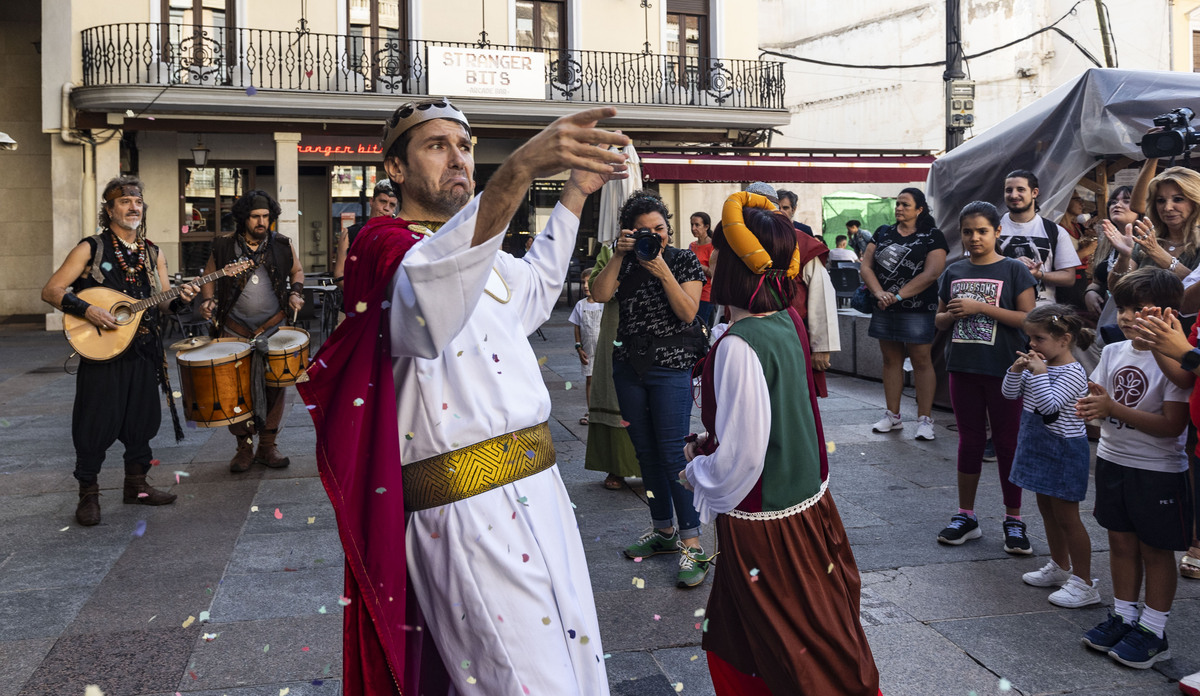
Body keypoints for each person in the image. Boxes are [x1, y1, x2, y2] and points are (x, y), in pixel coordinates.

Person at [298, 98, 629, 694]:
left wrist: (576, 193)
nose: (458, 158)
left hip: (541, 489)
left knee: (578, 671)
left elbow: (533, 291)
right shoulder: (381, 246)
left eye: (466, 147)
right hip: (466, 505)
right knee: (525, 683)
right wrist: (519, 170)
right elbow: (428, 306)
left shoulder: (482, 256)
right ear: (395, 169)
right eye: (436, 145)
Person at [680, 191, 880, 695]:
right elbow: (775, 418)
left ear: (735, 263)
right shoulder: (784, 321)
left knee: (795, 644)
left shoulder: (739, 344)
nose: (713, 259)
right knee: (770, 631)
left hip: (767, 525)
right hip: (806, 506)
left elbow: (743, 457)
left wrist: (697, 469)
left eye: (719, 251)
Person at [42, 176, 196, 525]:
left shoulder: (153, 252)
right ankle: (89, 495)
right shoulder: (91, 247)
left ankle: (137, 486)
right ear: (109, 209)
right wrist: (86, 309)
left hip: (143, 349)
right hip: (103, 351)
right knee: (95, 422)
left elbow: (163, 302)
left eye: (138, 202)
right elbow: (51, 290)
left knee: (141, 421)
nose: (133, 207)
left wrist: (180, 301)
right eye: (124, 202)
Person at [591, 190, 712, 588]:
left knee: (672, 453)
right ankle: (663, 532)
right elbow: (599, 293)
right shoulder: (622, 260)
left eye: (659, 229)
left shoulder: (682, 259)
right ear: (629, 231)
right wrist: (621, 254)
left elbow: (688, 312)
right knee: (644, 454)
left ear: (668, 229)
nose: (654, 236)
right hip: (628, 365)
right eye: (644, 231)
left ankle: (692, 544)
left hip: (670, 365)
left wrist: (660, 267)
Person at [1075, 268, 1192, 669]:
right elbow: (1099, 401)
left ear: (1168, 314)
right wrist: (1090, 407)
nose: (1126, 317)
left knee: (1156, 550)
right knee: (1121, 543)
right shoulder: (1112, 351)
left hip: (1156, 469)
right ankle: (1124, 616)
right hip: (1113, 459)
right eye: (1122, 308)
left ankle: (1154, 630)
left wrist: (1112, 408)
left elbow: (1172, 426)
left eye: (1138, 309)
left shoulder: (1175, 363)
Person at [935, 201, 1037, 552]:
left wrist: (981, 308)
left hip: (1006, 370)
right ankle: (966, 515)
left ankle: (1014, 518)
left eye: (982, 231)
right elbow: (938, 319)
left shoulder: (1013, 271)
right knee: (969, 441)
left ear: (997, 232)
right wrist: (950, 316)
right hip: (962, 367)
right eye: (968, 231)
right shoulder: (953, 271)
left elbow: (1028, 320)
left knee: (1008, 442)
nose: (974, 238)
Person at [198, 190, 305, 472]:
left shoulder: (281, 244)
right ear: (243, 218)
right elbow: (207, 276)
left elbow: (297, 271)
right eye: (256, 216)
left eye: (266, 217)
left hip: (273, 326)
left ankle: (267, 447)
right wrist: (207, 300)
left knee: (276, 387)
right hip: (234, 327)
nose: (261, 222)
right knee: (234, 391)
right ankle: (243, 449)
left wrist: (296, 293)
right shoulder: (223, 246)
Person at [1002, 305, 1097, 607]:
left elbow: (1049, 407)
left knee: (1068, 517)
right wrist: (1015, 371)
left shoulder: (1072, 371)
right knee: (1046, 508)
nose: (1031, 345)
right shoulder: (1038, 366)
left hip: (1064, 450)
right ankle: (1059, 566)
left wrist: (1040, 374)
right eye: (1029, 338)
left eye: (1039, 339)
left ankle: (1084, 581)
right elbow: (1008, 394)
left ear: (1064, 339)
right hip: (1036, 445)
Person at [860, 188, 948, 440]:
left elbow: (931, 273)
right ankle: (892, 416)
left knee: (921, 360)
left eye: (905, 205)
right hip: (884, 305)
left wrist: (898, 295)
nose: (899, 208)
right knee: (890, 360)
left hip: (919, 308)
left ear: (919, 209)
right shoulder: (883, 232)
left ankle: (925, 420)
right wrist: (879, 293)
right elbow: (866, 265)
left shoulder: (932, 236)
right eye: (897, 204)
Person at [744, 182, 840, 385]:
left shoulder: (801, 242)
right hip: (744, 334)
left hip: (789, 335)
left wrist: (821, 346)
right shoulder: (736, 240)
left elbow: (820, 293)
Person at [584, 245, 643, 490]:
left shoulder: (664, 252)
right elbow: (599, 294)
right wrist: (619, 255)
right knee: (613, 394)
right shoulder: (610, 252)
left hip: (651, 332)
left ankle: (653, 466)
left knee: (650, 400)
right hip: (616, 330)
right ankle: (615, 467)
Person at [999, 169, 1082, 304]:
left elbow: (1069, 278)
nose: (1014, 195)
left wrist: (1039, 274)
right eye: (1009, 190)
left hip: (1041, 312)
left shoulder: (1055, 231)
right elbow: (975, 268)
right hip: (999, 309)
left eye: (1020, 189)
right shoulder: (990, 229)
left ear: (1034, 193)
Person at [334, 179, 397, 284]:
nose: (386, 208)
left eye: (392, 205)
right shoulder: (350, 233)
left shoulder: (398, 235)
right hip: (358, 298)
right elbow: (340, 274)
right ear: (372, 201)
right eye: (383, 201)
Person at [568, 269, 603, 425]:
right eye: (583, 282)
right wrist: (578, 347)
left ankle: (603, 410)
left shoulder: (604, 303)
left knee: (604, 380)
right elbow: (577, 327)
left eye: (589, 282)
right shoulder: (580, 305)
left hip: (603, 349)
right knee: (590, 380)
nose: (585, 286)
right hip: (588, 350)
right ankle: (590, 411)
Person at [689, 211, 716, 325]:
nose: (693, 228)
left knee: (701, 326)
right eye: (692, 225)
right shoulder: (692, 245)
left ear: (706, 227)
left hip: (706, 294)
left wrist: (699, 266)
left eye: (697, 225)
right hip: (691, 292)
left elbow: (715, 273)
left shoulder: (713, 246)